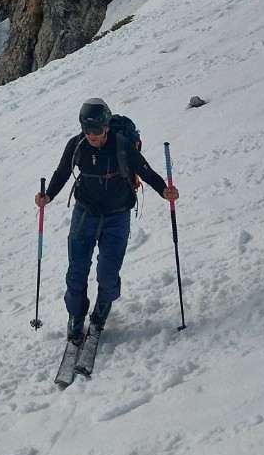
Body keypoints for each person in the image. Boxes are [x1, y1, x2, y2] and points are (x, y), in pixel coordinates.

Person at [35, 98, 179, 344]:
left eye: (97, 130)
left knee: (108, 271)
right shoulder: (76, 145)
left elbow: (146, 171)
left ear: (106, 127)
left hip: (117, 214)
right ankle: (77, 315)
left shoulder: (122, 145)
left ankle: (103, 306)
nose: (92, 135)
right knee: (77, 269)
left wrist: (164, 191)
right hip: (85, 212)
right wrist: (48, 195)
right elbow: (62, 173)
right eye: (87, 129)